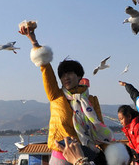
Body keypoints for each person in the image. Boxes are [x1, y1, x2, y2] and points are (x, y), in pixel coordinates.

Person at [19, 21, 113, 165]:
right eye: (62, 75)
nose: (65, 78)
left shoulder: (92, 100)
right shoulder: (56, 96)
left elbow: (100, 129)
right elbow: (45, 68)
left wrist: (114, 154)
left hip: (85, 154)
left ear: (79, 76)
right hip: (61, 155)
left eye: (69, 73)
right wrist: (33, 41)